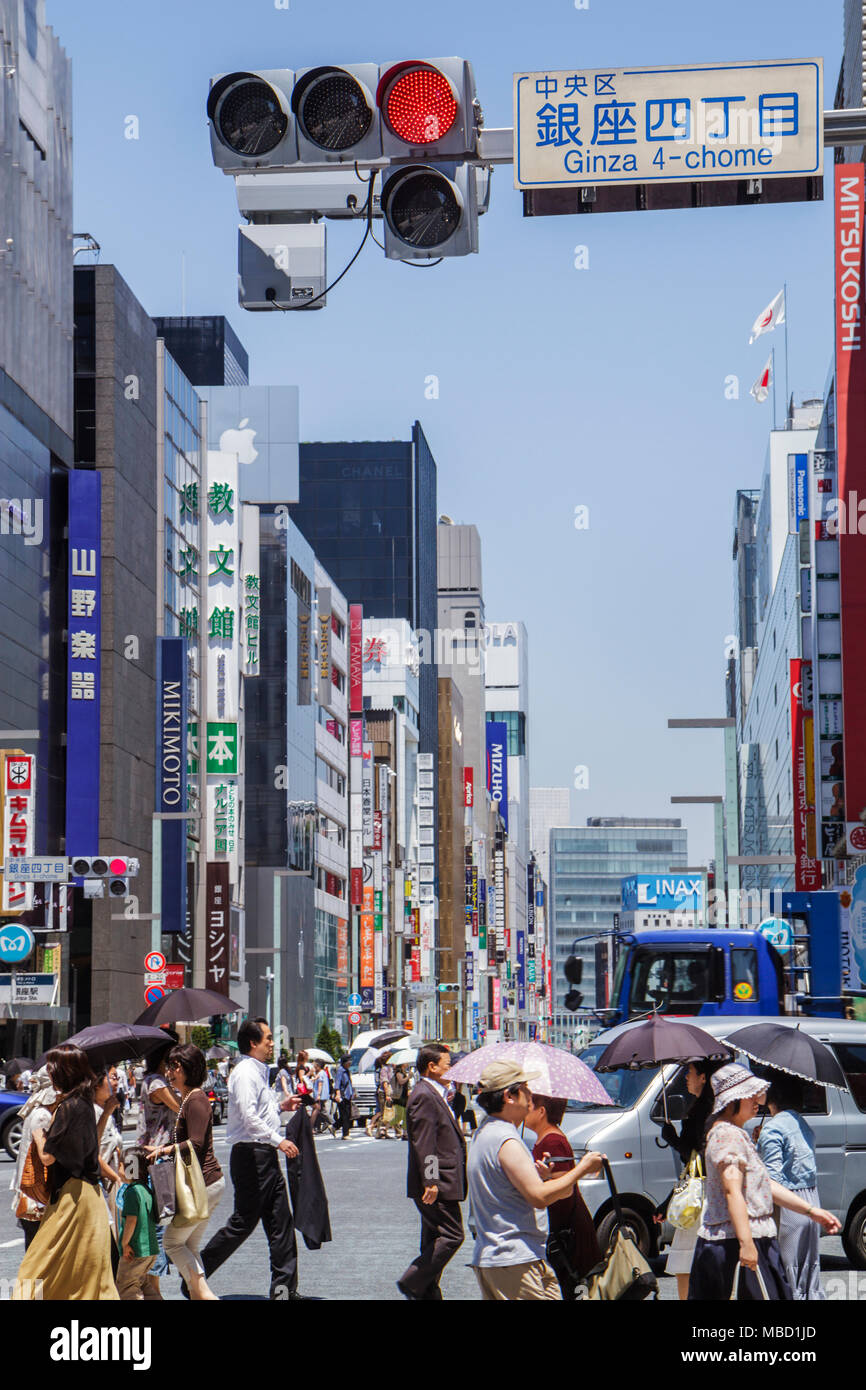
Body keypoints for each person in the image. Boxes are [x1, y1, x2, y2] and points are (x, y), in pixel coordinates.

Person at [688, 1064, 840, 1301]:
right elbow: (732, 1192)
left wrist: (811, 1211)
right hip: (735, 1243)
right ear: (732, 1100)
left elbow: (766, 1184)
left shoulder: (736, 1133)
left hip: (750, 1239)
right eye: (749, 1094)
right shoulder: (727, 1135)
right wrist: (746, 1243)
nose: (757, 1099)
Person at [467, 1060, 605, 1302]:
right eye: (525, 1089)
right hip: (513, 1257)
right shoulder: (505, 1139)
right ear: (510, 1096)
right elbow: (539, 1197)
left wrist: (539, 1178)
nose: (530, 1095)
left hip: (514, 1255)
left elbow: (522, 1189)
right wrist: (582, 1168)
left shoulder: (487, 1132)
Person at [198, 1018, 303, 1300]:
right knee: (243, 1223)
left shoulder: (258, 1071)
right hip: (251, 1156)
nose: (272, 1043)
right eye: (268, 1038)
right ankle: (194, 1275)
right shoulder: (245, 1072)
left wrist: (281, 1105)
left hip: (263, 1155)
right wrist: (279, 1140)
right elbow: (248, 1117)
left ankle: (283, 1291)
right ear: (253, 1043)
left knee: (281, 1223)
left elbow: (260, 1110)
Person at [12, 1045, 118, 1300]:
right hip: (88, 1197)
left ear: (64, 1071)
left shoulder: (68, 1107)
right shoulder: (83, 1103)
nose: (50, 1072)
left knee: (38, 1265)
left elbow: (48, 1157)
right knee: (87, 1273)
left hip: (72, 1198)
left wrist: (39, 1137)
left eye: (53, 1067)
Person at [147, 1043, 224, 1301]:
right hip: (206, 1183)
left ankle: (205, 1295)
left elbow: (197, 1143)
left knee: (171, 1243)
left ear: (189, 1069)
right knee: (189, 1245)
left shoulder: (197, 1098)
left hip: (204, 1183)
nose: (170, 1072)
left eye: (176, 1066)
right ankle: (198, 1295)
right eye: (169, 1066)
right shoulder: (188, 1098)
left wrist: (165, 1150)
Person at [397, 1043, 467, 1301]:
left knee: (434, 1236)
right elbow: (424, 1142)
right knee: (452, 1234)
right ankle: (413, 1279)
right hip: (437, 1180)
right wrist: (431, 1179)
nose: (452, 1068)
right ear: (432, 1066)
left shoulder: (439, 1092)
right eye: (448, 1064)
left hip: (442, 1177)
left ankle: (427, 1293)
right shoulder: (424, 1094)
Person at [655, 1059, 721, 1300]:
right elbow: (690, 1171)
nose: (686, 1078)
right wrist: (667, 1202)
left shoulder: (706, 1114)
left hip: (701, 1198)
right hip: (701, 1193)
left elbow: (698, 1162)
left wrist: (673, 1139)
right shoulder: (706, 1108)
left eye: (690, 1073)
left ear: (703, 1077)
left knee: (686, 1266)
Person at [756, 1072, 826, 1300]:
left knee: (786, 1276)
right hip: (811, 1201)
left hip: (787, 1207)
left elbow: (771, 1179)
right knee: (809, 1274)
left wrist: (758, 1149)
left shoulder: (773, 1128)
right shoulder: (802, 1123)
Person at [526, 1093, 602, 1299]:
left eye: (530, 1104)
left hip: (568, 1233)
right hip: (564, 1231)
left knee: (573, 1287)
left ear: (541, 1112)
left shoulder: (553, 1141)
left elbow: (565, 1190)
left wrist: (544, 1180)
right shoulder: (546, 1138)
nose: (525, 1108)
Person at [135, 1040, 180, 1299]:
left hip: (157, 1157)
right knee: (160, 1224)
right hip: (157, 1158)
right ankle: (153, 1289)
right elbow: (181, 1107)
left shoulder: (157, 1080)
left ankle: (151, 1286)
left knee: (158, 1222)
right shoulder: (157, 1083)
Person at [9, 1066, 56, 1249]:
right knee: (37, 1251)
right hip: (36, 1193)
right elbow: (45, 1156)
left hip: (30, 1190)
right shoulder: (42, 1115)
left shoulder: (36, 1111)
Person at [116, 1148, 159, 1300]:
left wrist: (125, 1243)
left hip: (135, 1251)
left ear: (130, 1168)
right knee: (144, 1285)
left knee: (126, 1287)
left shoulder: (132, 1192)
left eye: (120, 1164)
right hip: (150, 1249)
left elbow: (131, 1220)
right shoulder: (145, 1189)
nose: (118, 1167)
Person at [333, 1054, 354, 1140]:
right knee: (345, 1115)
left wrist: (353, 1092)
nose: (350, 1063)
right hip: (342, 1096)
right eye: (349, 1062)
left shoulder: (347, 1070)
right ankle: (345, 1134)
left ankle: (334, 1126)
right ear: (345, 1062)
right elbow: (337, 1084)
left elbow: (349, 1083)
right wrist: (337, 1095)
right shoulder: (340, 1071)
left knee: (348, 1114)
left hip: (348, 1095)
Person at [311, 1060, 332, 1135]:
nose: (314, 1067)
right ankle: (316, 1127)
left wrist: (318, 1095)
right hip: (323, 1095)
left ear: (318, 1066)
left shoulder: (320, 1073)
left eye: (315, 1065)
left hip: (320, 1095)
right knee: (318, 1111)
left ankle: (333, 1123)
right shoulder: (323, 1073)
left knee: (322, 1111)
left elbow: (320, 1084)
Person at [391, 1065, 409, 1139]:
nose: (407, 1064)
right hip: (399, 1096)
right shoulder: (398, 1072)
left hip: (404, 1095)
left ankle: (405, 1133)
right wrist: (408, 1077)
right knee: (399, 1115)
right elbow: (401, 1082)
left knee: (405, 1115)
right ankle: (384, 1127)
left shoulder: (403, 1072)